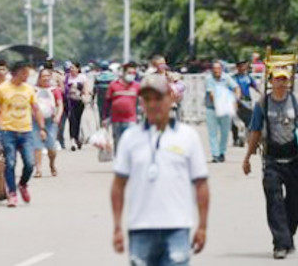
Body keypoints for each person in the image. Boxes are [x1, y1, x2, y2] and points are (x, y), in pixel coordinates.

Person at [110, 74, 209, 266]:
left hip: (177, 228)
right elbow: (118, 185)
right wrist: (116, 227)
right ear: (141, 103)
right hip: (140, 229)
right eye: (147, 99)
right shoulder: (130, 138)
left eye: (158, 98)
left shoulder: (188, 136)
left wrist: (203, 226)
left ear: (171, 98)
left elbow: (201, 184)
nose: (153, 104)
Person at [243, 68, 298, 260]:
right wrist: (247, 157)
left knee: (295, 202)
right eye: (277, 80)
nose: (281, 83)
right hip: (272, 160)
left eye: (284, 80)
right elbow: (255, 131)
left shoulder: (297, 100)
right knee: (274, 202)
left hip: (293, 160)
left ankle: (287, 235)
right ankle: (280, 244)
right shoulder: (262, 103)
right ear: (271, 82)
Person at [0, 62, 47, 208]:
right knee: (10, 162)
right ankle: (12, 193)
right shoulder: (2, 89)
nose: (27, 76)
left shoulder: (29, 89)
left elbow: (36, 109)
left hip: (26, 131)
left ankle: (23, 184)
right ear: (16, 72)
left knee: (30, 163)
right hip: (7, 131)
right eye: (25, 73)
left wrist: (42, 128)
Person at [204, 61, 241, 163]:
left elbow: (236, 87)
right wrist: (219, 104)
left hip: (225, 108)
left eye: (218, 68)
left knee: (225, 132)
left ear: (222, 69)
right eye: (214, 69)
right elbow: (211, 94)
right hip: (212, 108)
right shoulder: (209, 79)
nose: (216, 71)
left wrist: (236, 99)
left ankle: (222, 152)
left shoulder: (226, 77)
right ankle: (215, 154)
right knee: (213, 132)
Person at [103, 63, 141, 153]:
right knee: (118, 142)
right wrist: (105, 118)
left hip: (131, 119)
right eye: (129, 72)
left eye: (133, 73)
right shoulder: (113, 85)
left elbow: (142, 101)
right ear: (123, 73)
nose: (131, 75)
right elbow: (107, 103)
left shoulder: (137, 86)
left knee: (131, 143)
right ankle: (119, 163)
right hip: (116, 120)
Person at [33, 68, 63, 178]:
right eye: (43, 76)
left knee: (51, 146)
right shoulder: (34, 90)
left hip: (51, 121)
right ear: (39, 78)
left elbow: (60, 104)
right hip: (35, 120)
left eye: (47, 76)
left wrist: (58, 116)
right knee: (37, 145)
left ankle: (52, 164)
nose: (45, 78)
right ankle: (38, 169)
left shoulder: (55, 90)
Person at [64, 62, 89, 151]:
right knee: (72, 120)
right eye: (70, 68)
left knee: (78, 121)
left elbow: (86, 89)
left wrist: (86, 98)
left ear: (78, 69)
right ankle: (73, 140)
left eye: (73, 68)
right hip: (69, 102)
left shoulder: (82, 77)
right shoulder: (67, 77)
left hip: (79, 102)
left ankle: (77, 138)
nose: (71, 70)